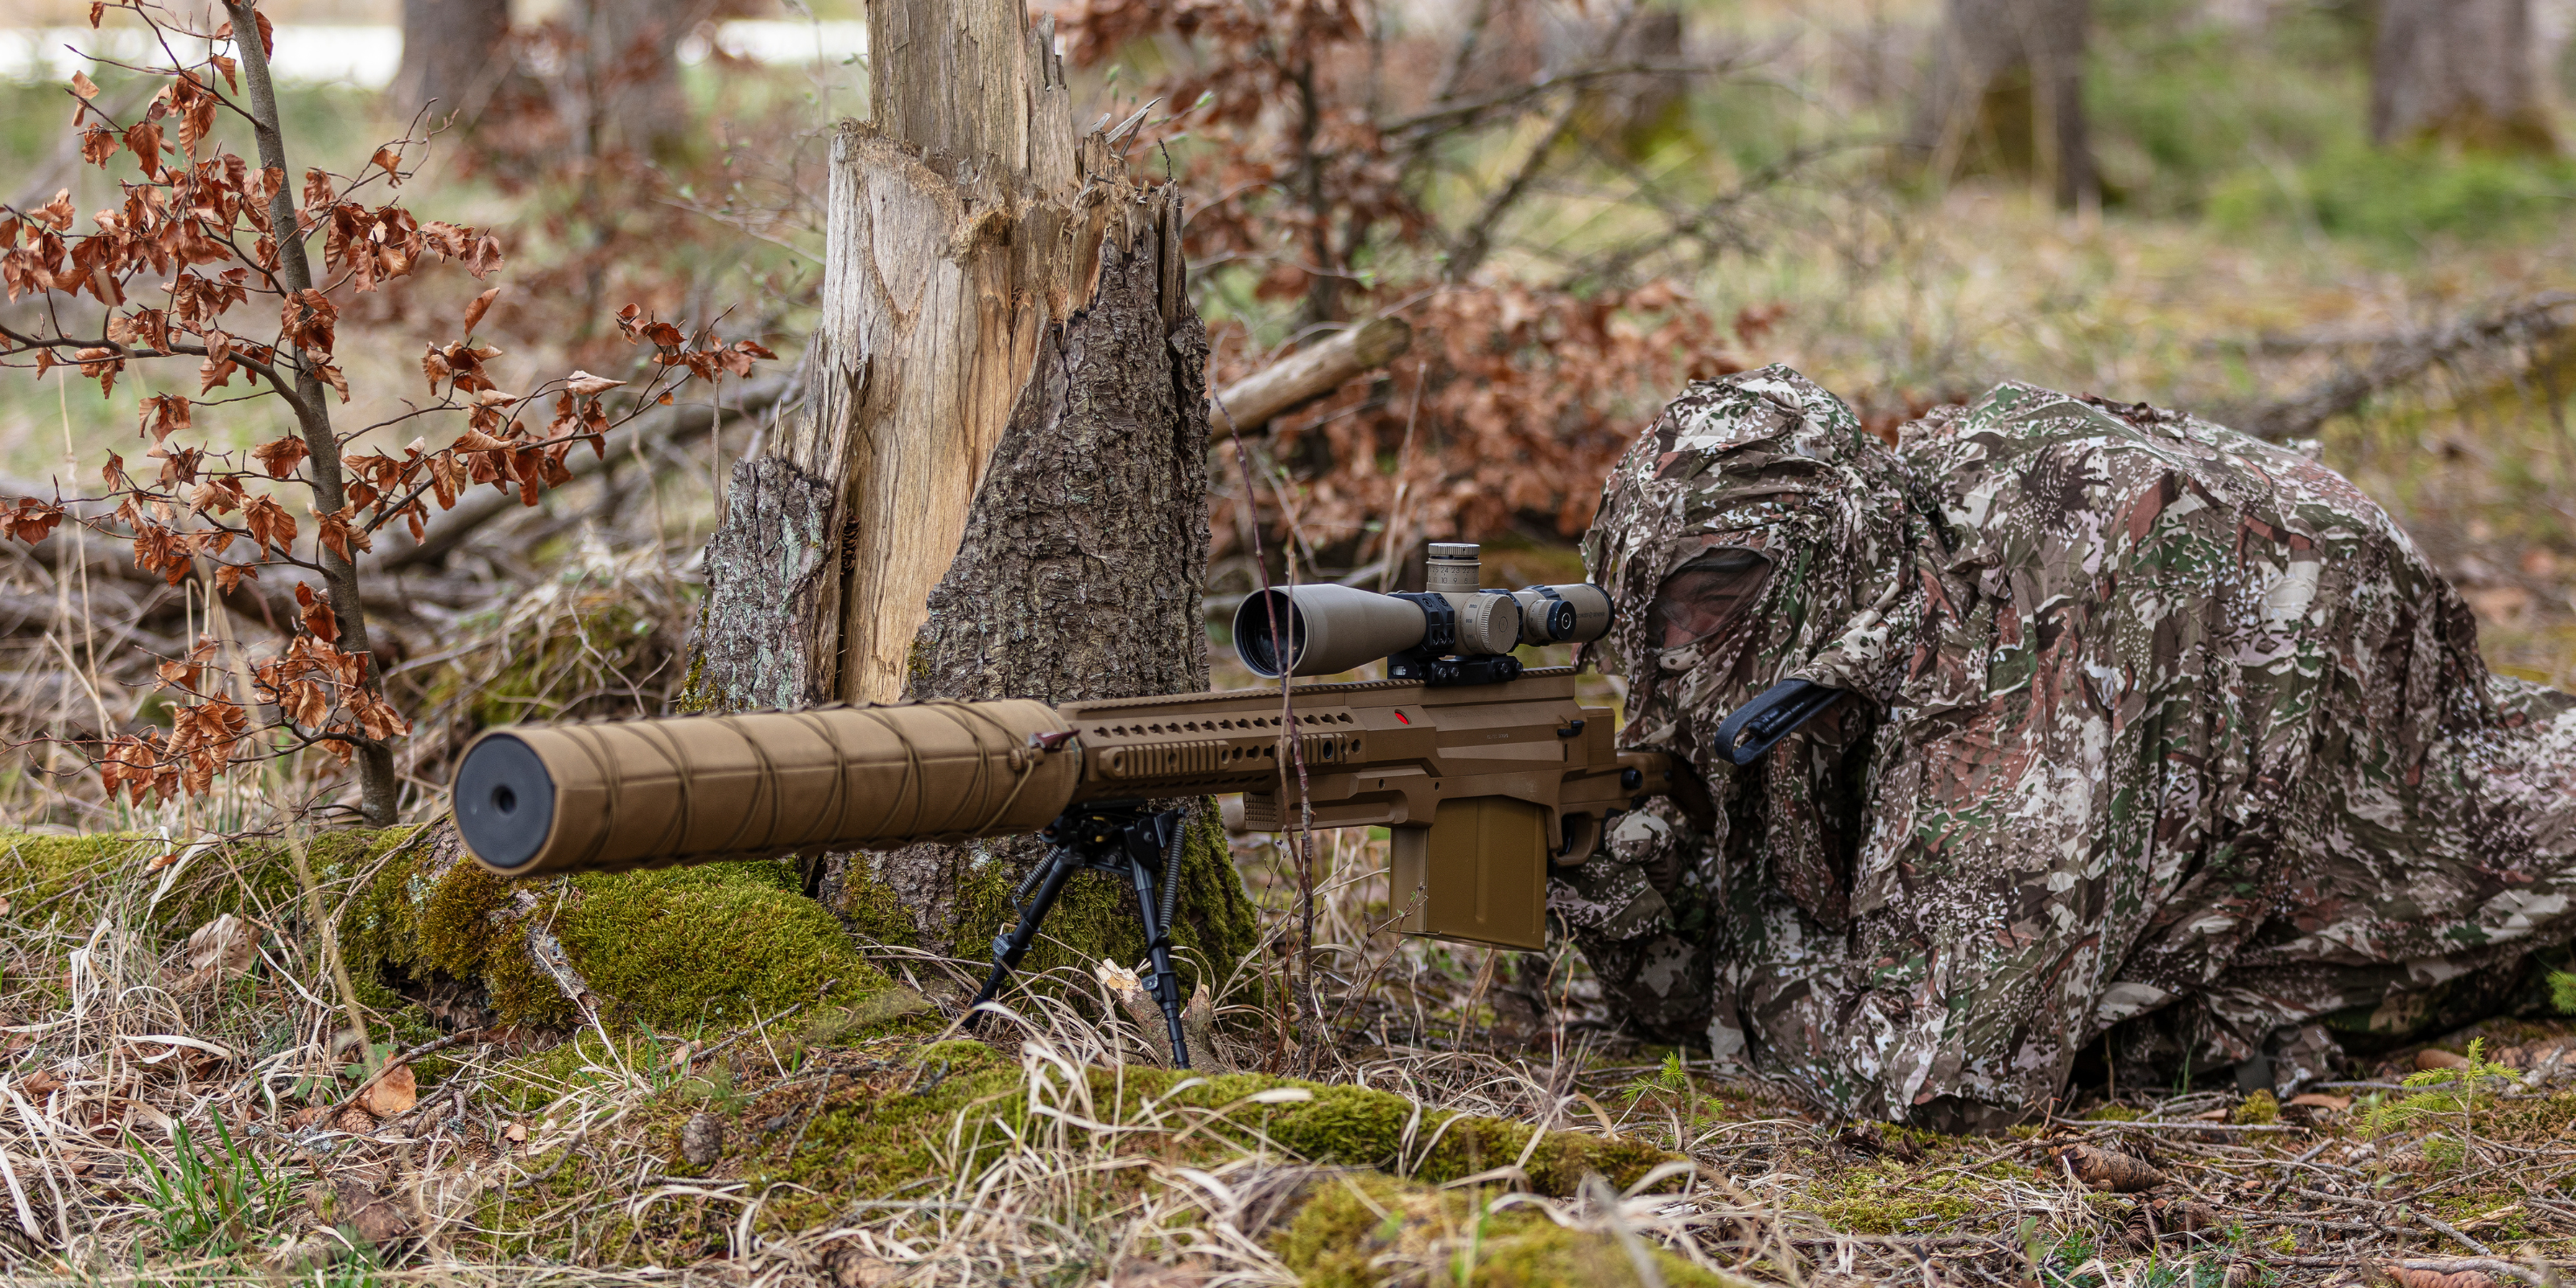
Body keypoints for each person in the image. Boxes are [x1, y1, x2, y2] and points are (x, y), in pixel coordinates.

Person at [1553, 365, 2576, 1131]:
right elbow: (1742, 982)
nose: (1676, 651)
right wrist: (1606, 887)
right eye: (1650, 611)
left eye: (1710, 598)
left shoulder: (2014, 675)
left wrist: (1744, 936)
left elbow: (1940, 1091)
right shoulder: (1846, 610)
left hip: (2431, 837)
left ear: (1833, 560)